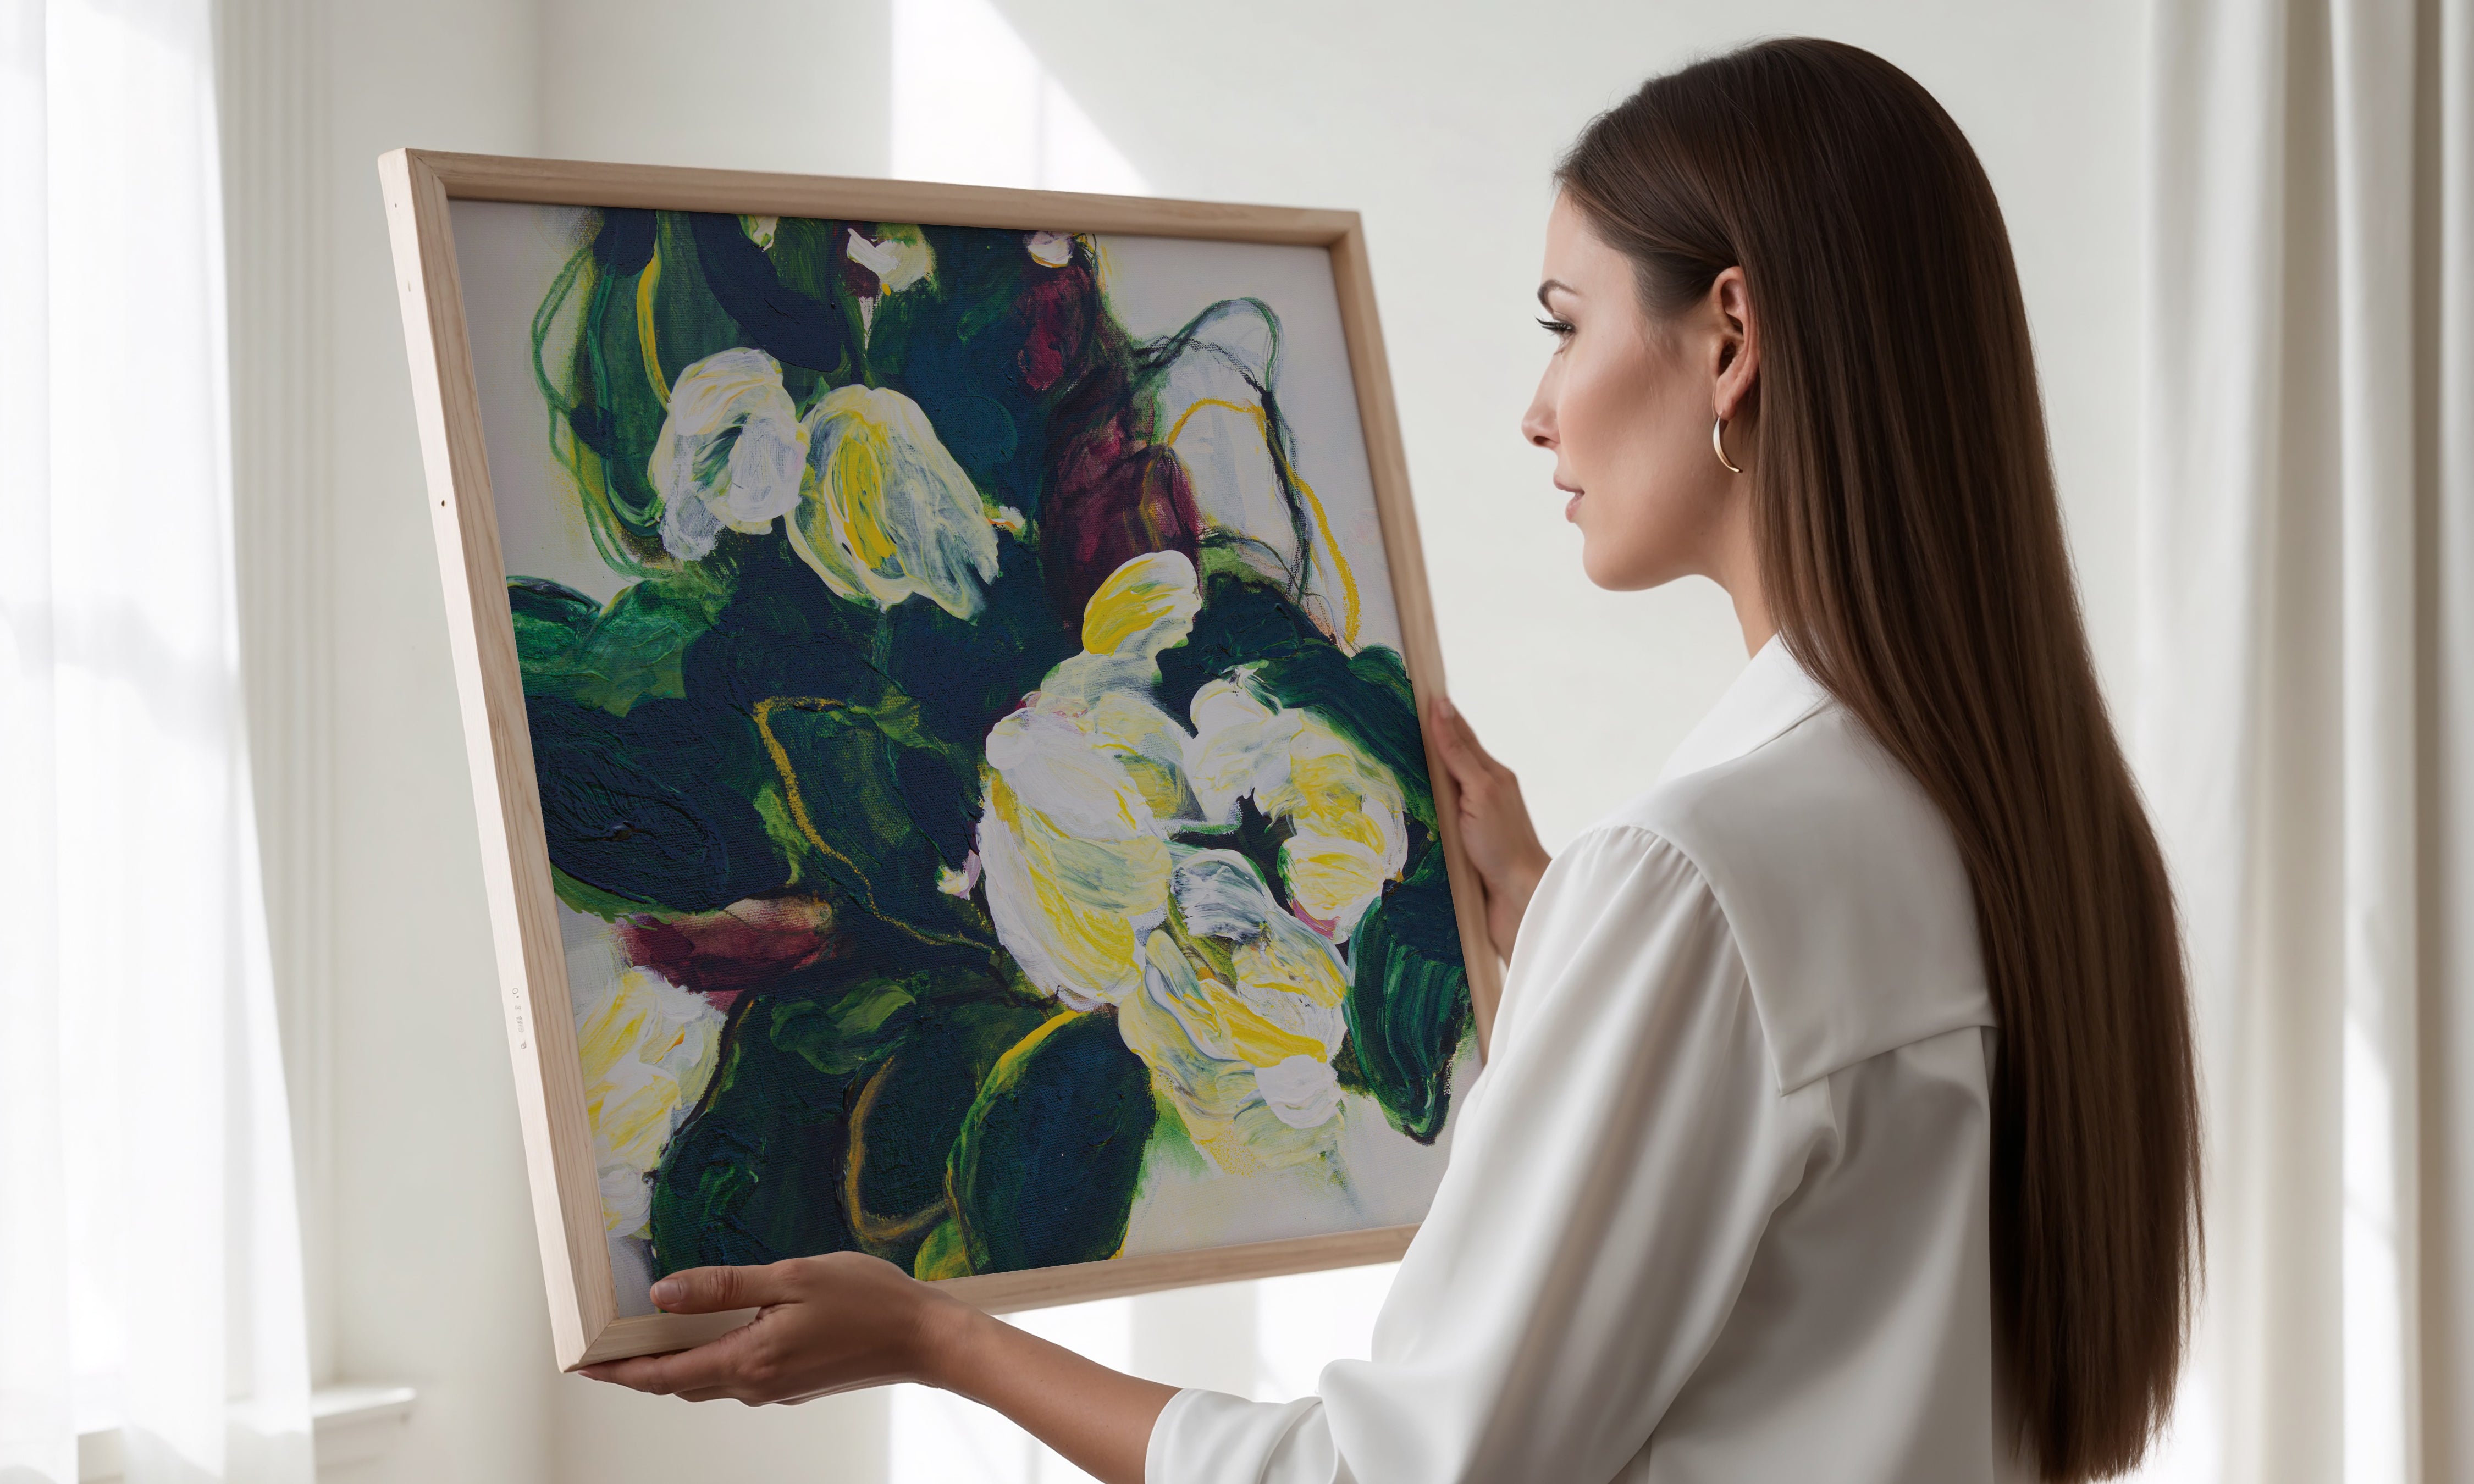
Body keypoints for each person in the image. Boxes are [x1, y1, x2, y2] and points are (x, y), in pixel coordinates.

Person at [580, 37, 2201, 1484]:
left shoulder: (1704, 882)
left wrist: (948, 1341)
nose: (1536, 410)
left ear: (1728, 340)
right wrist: (1570, 938)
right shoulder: (2023, 829)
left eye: (1565, 325)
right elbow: (1835, 1275)